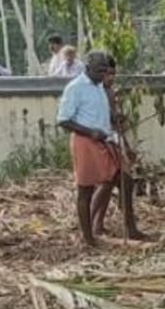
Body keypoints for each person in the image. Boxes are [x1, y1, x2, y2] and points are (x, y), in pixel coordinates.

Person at [56, 50, 146, 246]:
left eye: (106, 71)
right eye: (99, 71)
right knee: (85, 190)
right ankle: (88, 237)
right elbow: (63, 120)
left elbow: (101, 114)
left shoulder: (100, 87)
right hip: (86, 142)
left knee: (125, 180)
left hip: (107, 140)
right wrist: (90, 132)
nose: (103, 75)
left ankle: (131, 229)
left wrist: (115, 119)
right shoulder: (75, 88)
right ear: (88, 68)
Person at [88, 54, 140, 238]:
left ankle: (97, 226)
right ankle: (92, 227)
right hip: (100, 143)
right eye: (107, 74)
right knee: (110, 183)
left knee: (115, 184)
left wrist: (126, 145)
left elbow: (115, 123)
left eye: (113, 74)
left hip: (112, 141)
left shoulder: (109, 92)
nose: (110, 78)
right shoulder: (94, 92)